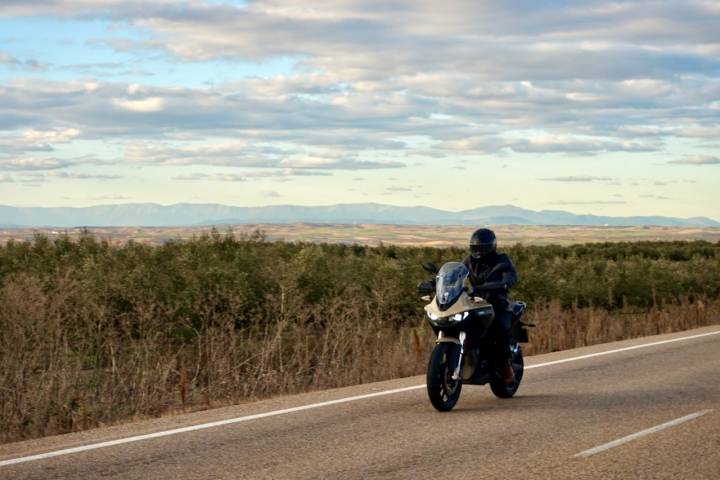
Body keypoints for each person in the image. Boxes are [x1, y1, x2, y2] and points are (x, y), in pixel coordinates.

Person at [462, 228, 518, 384]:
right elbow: (458, 273)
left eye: (483, 248)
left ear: (492, 247)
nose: (479, 252)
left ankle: (506, 367)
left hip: (496, 302)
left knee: (499, 328)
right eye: (475, 248)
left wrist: (506, 281)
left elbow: (510, 275)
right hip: (475, 303)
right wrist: (438, 281)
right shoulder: (469, 261)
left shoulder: (502, 259)